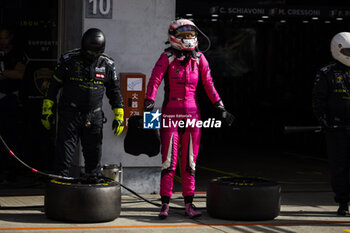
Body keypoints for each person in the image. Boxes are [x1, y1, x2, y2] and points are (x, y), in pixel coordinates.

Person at [144, 19, 235, 219]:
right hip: (171, 113)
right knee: (168, 161)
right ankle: (165, 205)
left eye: (190, 34)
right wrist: (149, 100)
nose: (188, 38)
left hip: (193, 114)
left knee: (190, 162)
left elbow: (209, 83)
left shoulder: (200, 58)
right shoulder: (166, 57)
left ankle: (188, 205)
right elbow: (155, 78)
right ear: (174, 37)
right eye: (184, 35)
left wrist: (221, 107)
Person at [41, 28, 124, 180]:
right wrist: (47, 109)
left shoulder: (107, 64)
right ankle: (60, 191)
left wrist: (119, 114)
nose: (92, 55)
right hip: (70, 114)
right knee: (64, 156)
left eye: (96, 52)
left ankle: (92, 193)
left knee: (94, 158)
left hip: (94, 116)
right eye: (89, 52)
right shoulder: (68, 60)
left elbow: (114, 91)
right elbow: (53, 86)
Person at [312, 32, 350, 216]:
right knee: (339, 166)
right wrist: (323, 119)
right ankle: (343, 202)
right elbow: (318, 99)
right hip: (337, 129)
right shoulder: (326, 73)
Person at [0, 26, 27, 183]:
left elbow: (20, 73)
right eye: (0, 38)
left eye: (5, 38)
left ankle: (12, 173)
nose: (3, 42)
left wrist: (3, 73)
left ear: (11, 38)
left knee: (11, 138)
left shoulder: (17, 54)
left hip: (10, 101)